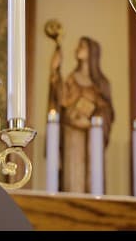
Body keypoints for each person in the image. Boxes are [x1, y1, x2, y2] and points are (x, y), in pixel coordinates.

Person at [49, 36, 115, 193]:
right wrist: (55, 71)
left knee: (92, 179)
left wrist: (92, 121)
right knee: (73, 177)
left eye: (82, 46)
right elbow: (61, 100)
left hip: (92, 136)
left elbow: (107, 111)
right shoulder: (72, 79)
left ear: (92, 52)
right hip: (72, 134)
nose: (77, 49)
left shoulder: (101, 83)